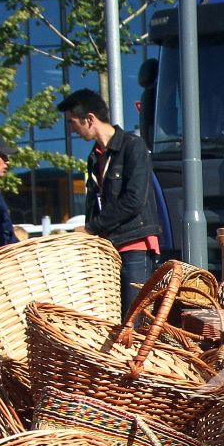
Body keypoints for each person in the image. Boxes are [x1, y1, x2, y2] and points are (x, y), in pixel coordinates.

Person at [59, 87, 161, 317]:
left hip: (135, 246)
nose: (71, 128)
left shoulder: (133, 147)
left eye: (72, 122)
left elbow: (134, 200)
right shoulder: (95, 157)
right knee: (112, 318)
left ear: (90, 119)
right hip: (108, 248)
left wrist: (90, 228)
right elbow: (93, 202)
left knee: (133, 321)